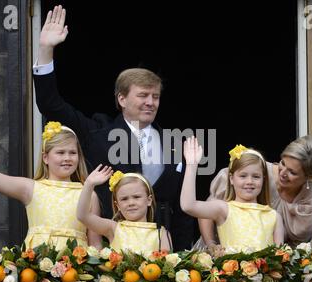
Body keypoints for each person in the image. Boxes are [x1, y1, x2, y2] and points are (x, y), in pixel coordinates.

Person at [32, 5, 197, 251]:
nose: (151, 102)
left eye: (155, 97)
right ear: (121, 99)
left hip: (163, 260)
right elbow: (51, 105)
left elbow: (181, 211)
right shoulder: (97, 132)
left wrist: (184, 257)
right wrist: (46, 49)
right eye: (143, 95)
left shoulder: (174, 142)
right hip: (112, 254)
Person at [0, 107, 102, 250]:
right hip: (37, 268)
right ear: (45, 157)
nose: (67, 158)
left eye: (72, 153)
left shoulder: (89, 195)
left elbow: (95, 244)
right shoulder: (31, 188)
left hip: (76, 270)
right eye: (60, 152)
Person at [200, 135, 312, 248]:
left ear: (308, 177)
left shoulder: (311, 197)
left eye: (292, 172)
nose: (283, 173)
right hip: (220, 258)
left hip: (269, 266)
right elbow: (206, 211)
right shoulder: (252, 172)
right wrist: (211, 245)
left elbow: (301, 242)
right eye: (283, 163)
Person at [180, 137, 284, 254]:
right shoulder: (224, 209)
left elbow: (279, 259)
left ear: (263, 180)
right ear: (231, 179)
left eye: (256, 176)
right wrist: (191, 165)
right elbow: (188, 206)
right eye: (243, 176)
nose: (249, 181)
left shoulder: (274, 216)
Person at [77, 166, 171, 256]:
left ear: (149, 200)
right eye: (124, 199)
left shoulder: (161, 233)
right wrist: (89, 184)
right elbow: (83, 216)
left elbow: (165, 266)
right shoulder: (113, 228)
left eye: (136, 197)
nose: (131, 203)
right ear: (117, 205)